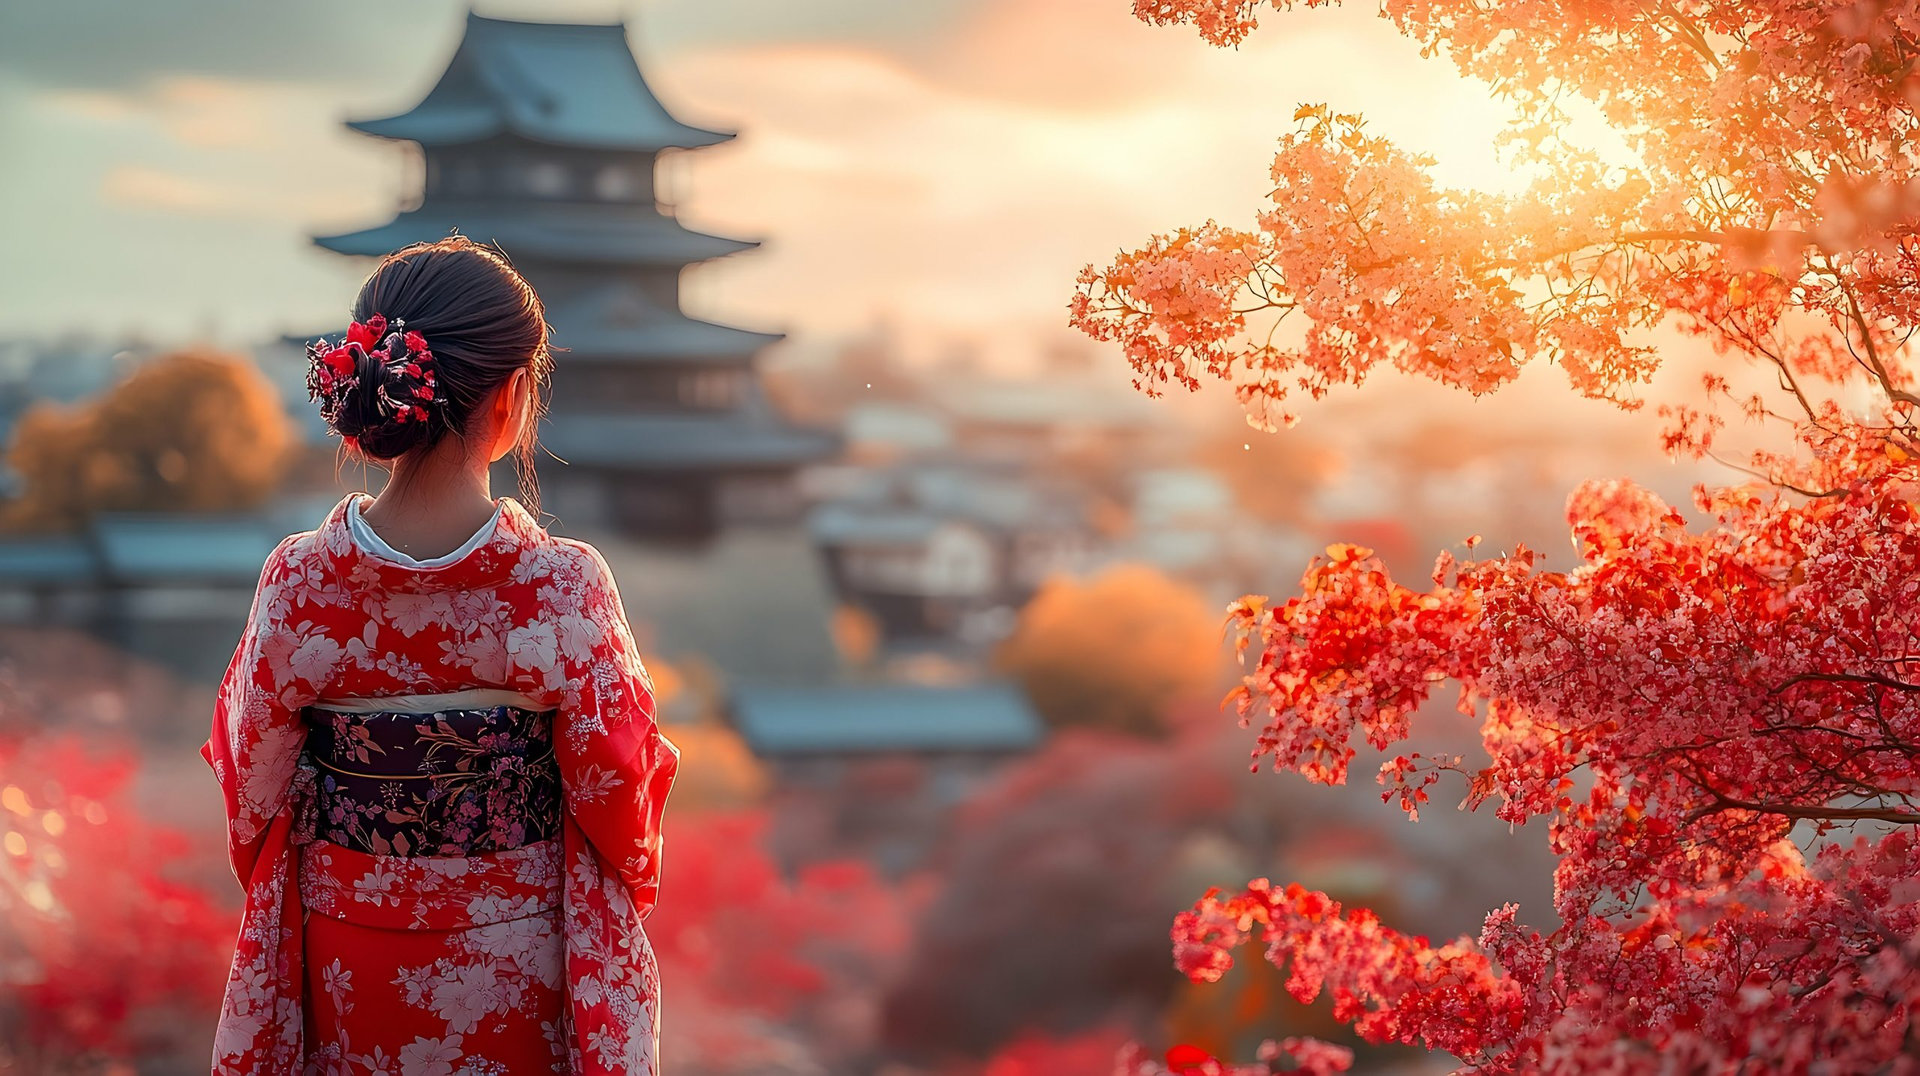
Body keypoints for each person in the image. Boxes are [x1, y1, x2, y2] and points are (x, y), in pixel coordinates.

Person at [202, 237, 678, 1075]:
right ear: (513, 397)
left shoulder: (300, 583)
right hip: (510, 960)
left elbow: (252, 794)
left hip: (349, 957)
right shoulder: (560, 588)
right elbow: (620, 799)